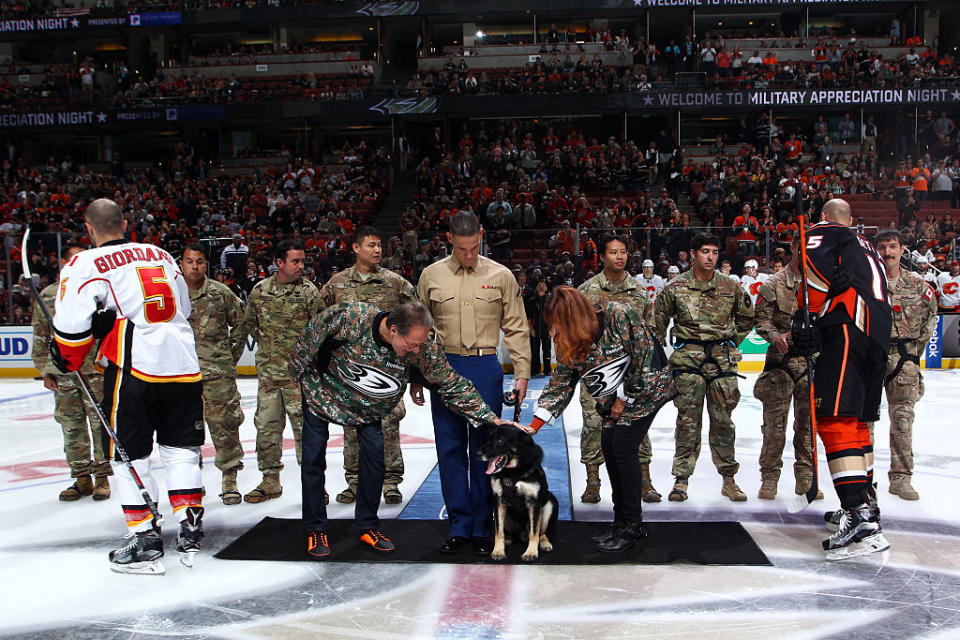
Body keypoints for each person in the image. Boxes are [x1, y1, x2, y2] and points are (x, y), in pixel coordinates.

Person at [50, 198, 204, 575]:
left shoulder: (85, 262)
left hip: (134, 368)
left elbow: (70, 333)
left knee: (128, 456)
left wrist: (70, 350)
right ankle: (190, 525)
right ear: (124, 223)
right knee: (181, 448)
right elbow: (182, 308)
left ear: (89, 228)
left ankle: (145, 538)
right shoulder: (160, 254)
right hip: (183, 363)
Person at [291, 301, 515, 559]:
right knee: (312, 460)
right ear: (394, 330)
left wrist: (492, 419)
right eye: (412, 344)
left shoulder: (421, 347)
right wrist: (298, 376)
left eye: (420, 344)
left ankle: (368, 526)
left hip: (368, 408)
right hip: (323, 395)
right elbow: (307, 340)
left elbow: (452, 384)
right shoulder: (348, 317)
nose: (417, 350)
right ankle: (315, 529)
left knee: (375, 461)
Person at [522, 287, 675, 552]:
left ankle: (633, 526)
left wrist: (624, 399)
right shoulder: (570, 340)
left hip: (648, 389)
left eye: (557, 322)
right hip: (614, 398)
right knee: (608, 443)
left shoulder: (618, 315)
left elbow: (645, 357)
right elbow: (561, 383)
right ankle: (621, 521)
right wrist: (533, 426)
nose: (554, 330)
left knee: (623, 447)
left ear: (572, 317)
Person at [417, 211, 530, 555]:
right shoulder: (431, 275)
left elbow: (516, 325)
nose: (468, 255)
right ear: (449, 238)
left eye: (474, 247)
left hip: (484, 366)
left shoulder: (501, 275)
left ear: (481, 236)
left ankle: (484, 526)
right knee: (449, 449)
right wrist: (417, 374)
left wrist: (522, 372)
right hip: (444, 366)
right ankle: (459, 525)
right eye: (462, 248)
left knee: (485, 452)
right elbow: (418, 329)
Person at [792, 198, 892, 560]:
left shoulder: (825, 231)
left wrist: (809, 314)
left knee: (835, 419)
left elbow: (815, 271)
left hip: (850, 327)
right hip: (876, 333)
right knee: (857, 422)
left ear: (823, 218)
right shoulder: (865, 245)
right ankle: (865, 503)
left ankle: (859, 518)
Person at [320, 226, 418, 505]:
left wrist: (411, 366)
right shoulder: (336, 284)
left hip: (386, 371)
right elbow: (319, 322)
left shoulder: (396, 284)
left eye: (379, 246)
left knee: (388, 427)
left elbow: (418, 320)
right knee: (351, 428)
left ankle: (391, 482)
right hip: (348, 373)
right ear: (356, 248)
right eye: (372, 245)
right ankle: (355, 481)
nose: (377, 250)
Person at [654, 233, 754, 502]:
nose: (710, 257)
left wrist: (733, 342)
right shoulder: (675, 287)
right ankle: (681, 480)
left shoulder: (731, 287)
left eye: (714, 252)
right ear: (693, 254)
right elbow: (657, 324)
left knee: (724, 423)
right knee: (687, 422)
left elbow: (746, 318)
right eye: (705, 252)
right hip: (688, 363)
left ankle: (729, 479)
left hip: (722, 362)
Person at [578, 235, 660, 504]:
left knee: (636, 426)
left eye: (623, 252)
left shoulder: (638, 291)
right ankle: (593, 481)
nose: (619, 257)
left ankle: (645, 479)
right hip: (597, 372)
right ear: (602, 256)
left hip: (631, 372)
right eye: (613, 252)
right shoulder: (586, 291)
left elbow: (650, 331)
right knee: (593, 424)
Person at [238, 240, 322, 503]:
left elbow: (320, 331)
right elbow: (251, 324)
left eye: (303, 261)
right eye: (295, 261)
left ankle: (314, 486)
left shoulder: (309, 292)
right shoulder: (260, 290)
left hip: (300, 379)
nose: (301, 266)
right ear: (279, 262)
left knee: (306, 435)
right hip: (269, 378)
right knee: (266, 430)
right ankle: (270, 481)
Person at [31, 242, 112, 502]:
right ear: (64, 264)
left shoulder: (100, 293)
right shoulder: (48, 296)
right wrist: (44, 369)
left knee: (101, 423)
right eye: (72, 260)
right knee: (71, 425)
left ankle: (102, 476)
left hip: (95, 370)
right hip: (63, 372)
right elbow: (41, 336)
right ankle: (81, 477)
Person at [753, 236, 820, 500]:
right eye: (801, 250)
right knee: (774, 427)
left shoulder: (822, 284)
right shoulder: (773, 284)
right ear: (793, 249)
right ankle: (770, 477)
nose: (806, 256)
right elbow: (761, 321)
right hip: (779, 365)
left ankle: (805, 478)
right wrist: (775, 337)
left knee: (807, 427)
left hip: (811, 364)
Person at [872, 230, 938, 500]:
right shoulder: (866, 284)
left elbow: (931, 318)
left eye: (892, 246)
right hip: (871, 357)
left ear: (902, 250)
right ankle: (863, 479)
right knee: (863, 421)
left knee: (902, 420)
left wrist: (913, 352)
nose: (887, 252)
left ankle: (901, 477)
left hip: (905, 360)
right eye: (882, 247)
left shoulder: (918, 285)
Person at [181, 243, 246, 506]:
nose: (195, 266)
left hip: (217, 375)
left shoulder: (220, 293)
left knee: (225, 427)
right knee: (184, 431)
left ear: (205, 264)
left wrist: (230, 356)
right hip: (182, 376)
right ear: (181, 264)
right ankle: (190, 483)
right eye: (189, 261)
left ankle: (229, 480)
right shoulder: (172, 295)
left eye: (199, 261)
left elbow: (241, 322)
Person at [525, 279, 551, 377]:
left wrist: (551, 329)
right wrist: (531, 329)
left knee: (547, 351)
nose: (541, 287)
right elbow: (528, 317)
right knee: (534, 351)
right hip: (535, 329)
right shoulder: (531, 300)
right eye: (539, 285)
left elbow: (553, 316)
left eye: (543, 285)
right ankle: (536, 370)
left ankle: (547, 370)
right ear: (536, 287)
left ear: (546, 287)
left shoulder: (549, 301)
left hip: (546, 329)